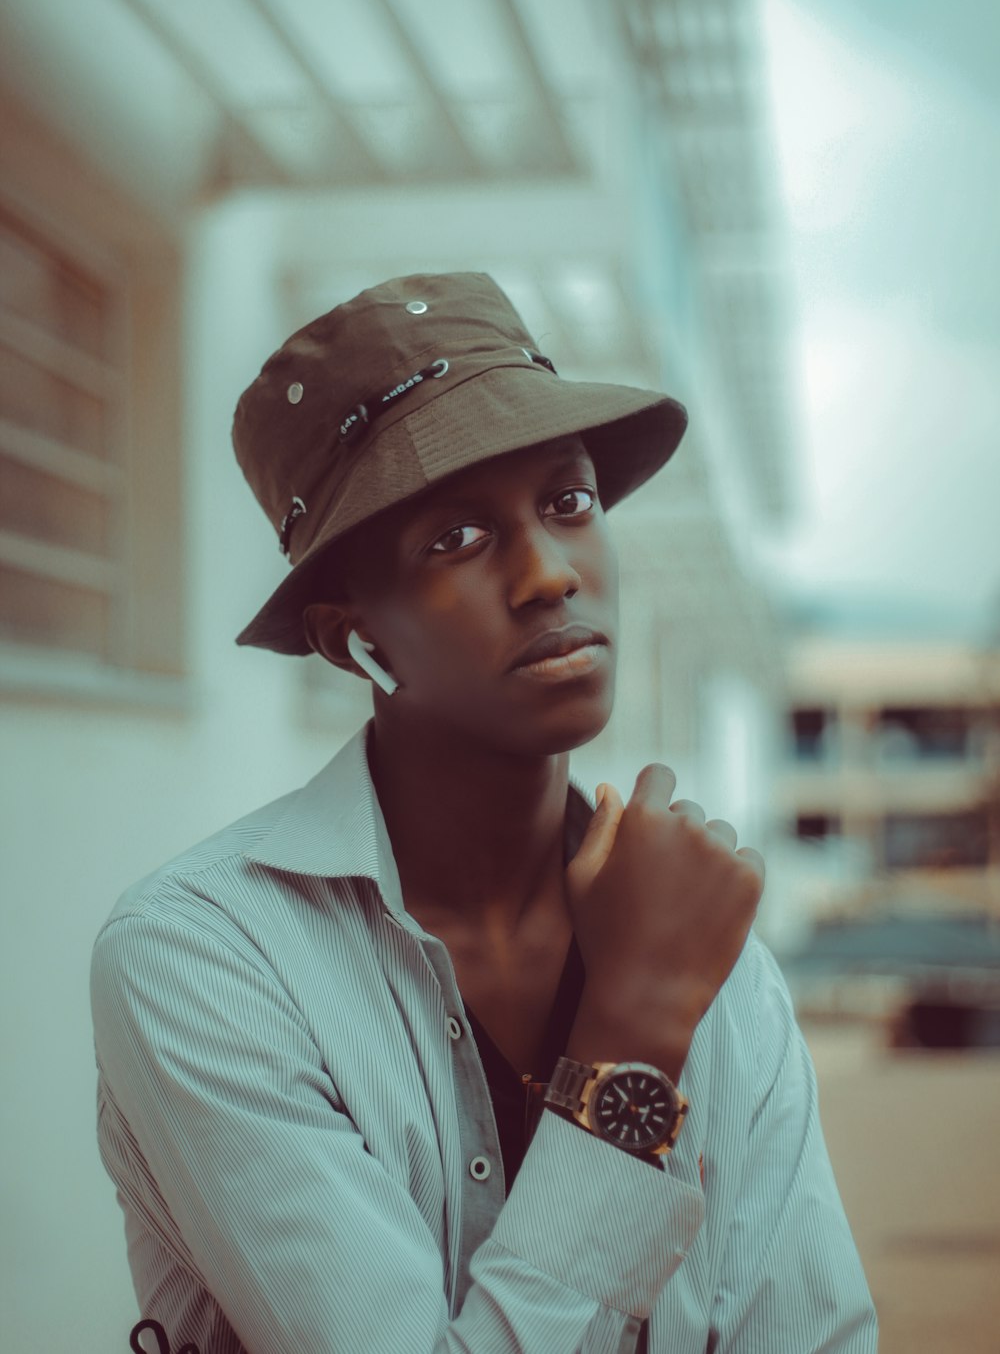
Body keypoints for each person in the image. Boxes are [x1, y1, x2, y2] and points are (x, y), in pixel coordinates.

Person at [91, 272, 878, 1353]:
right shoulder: (201, 958)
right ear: (351, 639)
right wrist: (634, 1034)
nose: (550, 574)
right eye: (455, 538)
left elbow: (812, 1333)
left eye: (568, 502)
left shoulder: (703, 931)